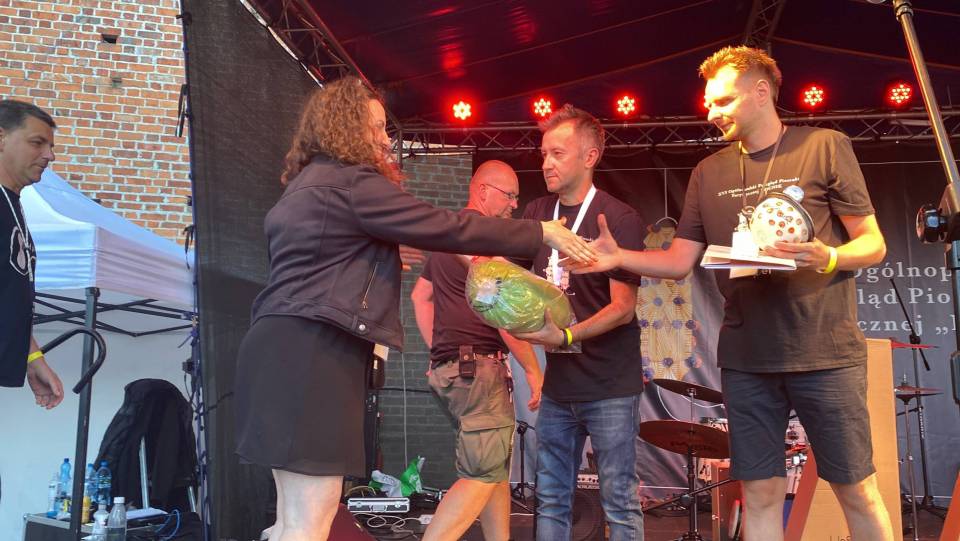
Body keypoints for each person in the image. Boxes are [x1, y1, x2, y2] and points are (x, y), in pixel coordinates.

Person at [232, 76, 595, 541]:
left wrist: (376, 251)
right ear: (346, 127)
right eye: (376, 127)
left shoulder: (305, 186)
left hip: (273, 347)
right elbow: (447, 226)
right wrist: (540, 232)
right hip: (314, 353)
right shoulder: (351, 182)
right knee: (309, 520)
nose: (386, 139)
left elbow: (318, 258)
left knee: (287, 521)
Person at [566, 46, 894, 541]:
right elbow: (679, 261)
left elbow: (873, 244)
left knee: (856, 489)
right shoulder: (709, 171)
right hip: (746, 359)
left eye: (722, 100)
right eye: (708, 102)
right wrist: (618, 259)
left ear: (761, 93)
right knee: (759, 493)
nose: (711, 112)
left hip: (824, 353)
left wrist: (825, 256)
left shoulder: (824, 146)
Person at [509, 104, 646, 541]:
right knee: (551, 499)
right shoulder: (537, 212)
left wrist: (565, 334)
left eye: (558, 153)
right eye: (543, 154)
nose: (546, 163)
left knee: (619, 501)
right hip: (558, 387)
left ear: (589, 157)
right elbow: (507, 277)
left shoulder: (617, 217)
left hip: (610, 386)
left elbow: (623, 308)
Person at [410, 160, 543, 541]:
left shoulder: (448, 237)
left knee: (493, 473)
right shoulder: (481, 238)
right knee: (480, 476)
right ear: (483, 191)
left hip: (454, 371)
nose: (514, 205)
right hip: (480, 371)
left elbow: (420, 296)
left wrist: (439, 350)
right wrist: (532, 369)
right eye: (509, 195)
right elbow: (502, 312)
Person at [0, 100, 64, 409]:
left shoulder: (12, 204)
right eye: (37, 143)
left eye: (50, 146)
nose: (49, 155)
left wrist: (33, 357)